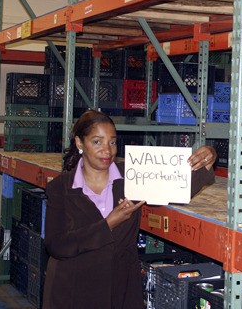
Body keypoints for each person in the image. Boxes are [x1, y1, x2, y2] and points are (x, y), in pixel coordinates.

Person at [42, 110, 217, 309]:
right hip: (72, 292)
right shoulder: (60, 187)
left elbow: (178, 185)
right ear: (80, 143)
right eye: (97, 142)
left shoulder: (133, 177)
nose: (107, 150)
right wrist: (108, 224)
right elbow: (56, 245)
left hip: (120, 289)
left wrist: (208, 157)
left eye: (112, 142)